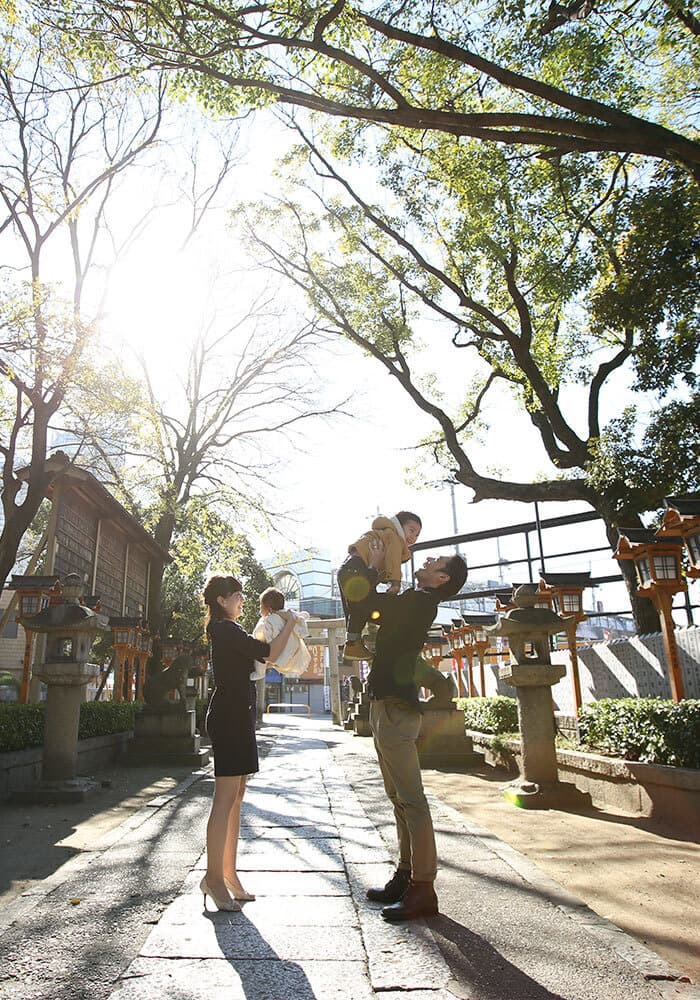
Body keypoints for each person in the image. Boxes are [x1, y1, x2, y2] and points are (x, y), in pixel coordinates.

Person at [352, 541, 468, 922]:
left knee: (412, 801)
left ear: (442, 578)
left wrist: (372, 564)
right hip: (386, 707)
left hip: (398, 712)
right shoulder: (415, 599)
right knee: (399, 799)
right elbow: (375, 613)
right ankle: (405, 876)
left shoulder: (421, 601)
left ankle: (424, 888)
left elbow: (369, 606)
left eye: (437, 561)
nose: (428, 559)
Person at [201, 573, 296, 912]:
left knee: (237, 797)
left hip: (238, 716)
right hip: (228, 717)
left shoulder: (230, 629)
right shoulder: (225, 629)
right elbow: (268, 651)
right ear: (221, 601)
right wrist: (290, 621)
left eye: (241, 595)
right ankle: (213, 877)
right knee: (225, 799)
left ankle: (228, 874)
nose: (242, 599)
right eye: (237, 595)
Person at [338, 511, 422, 660]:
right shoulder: (393, 537)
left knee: (355, 607)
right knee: (362, 604)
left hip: (347, 569)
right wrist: (395, 583)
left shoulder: (381, 534)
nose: (413, 537)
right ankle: (353, 644)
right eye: (411, 530)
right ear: (398, 525)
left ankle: (352, 642)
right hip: (358, 569)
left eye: (417, 535)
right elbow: (393, 560)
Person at [250, 587, 311, 680]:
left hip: (278, 654)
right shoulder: (289, 614)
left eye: (260, 607)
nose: (259, 611)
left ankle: (260, 673)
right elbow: (303, 617)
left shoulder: (268, 620)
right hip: (293, 653)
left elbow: (261, 636)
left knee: (259, 649)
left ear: (269, 609)